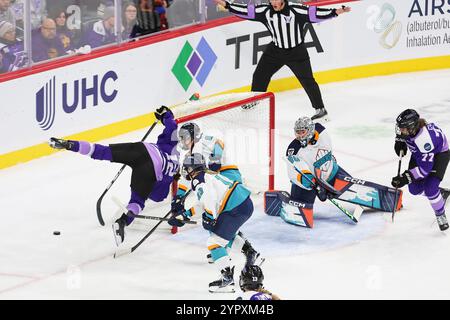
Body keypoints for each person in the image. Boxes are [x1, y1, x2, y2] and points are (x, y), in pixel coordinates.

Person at [48, 106, 180, 245]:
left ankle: (70, 144)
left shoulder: (172, 147)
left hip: (142, 149)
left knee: (102, 151)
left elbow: (172, 126)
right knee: (137, 203)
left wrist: (165, 115)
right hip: (149, 170)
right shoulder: (169, 177)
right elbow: (157, 197)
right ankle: (122, 222)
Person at [213, 0, 351, 121]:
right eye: (271, 0)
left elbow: (315, 13)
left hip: (297, 52)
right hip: (275, 50)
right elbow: (246, 11)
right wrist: (226, 4)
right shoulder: (265, 11)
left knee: (308, 81)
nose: (273, 3)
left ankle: (320, 110)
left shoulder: (296, 10)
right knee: (260, 74)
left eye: (276, 0)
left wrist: (336, 12)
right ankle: (255, 99)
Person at [270, 116, 403, 227]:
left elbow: (325, 160)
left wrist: (323, 185)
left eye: (302, 132)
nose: (299, 135)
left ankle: (391, 199)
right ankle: (283, 199)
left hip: (330, 174)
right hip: (308, 183)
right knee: (301, 209)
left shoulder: (322, 134)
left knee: (356, 190)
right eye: (297, 132)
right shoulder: (293, 149)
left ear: (310, 131)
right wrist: (308, 181)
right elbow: (293, 172)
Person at [170, 153, 262, 293]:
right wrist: (184, 215)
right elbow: (204, 202)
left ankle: (227, 279)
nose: (186, 171)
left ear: (193, 169)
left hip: (235, 208)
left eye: (187, 168)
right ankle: (250, 252)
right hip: (242, 204)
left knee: (214, 242)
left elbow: (209, 198)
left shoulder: (198, 181)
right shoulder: (207, 175)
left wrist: (210, 217)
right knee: (223, 232)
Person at [173, 122, 262, 265]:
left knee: (218, 218)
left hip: (228, 176)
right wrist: (178, 197)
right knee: (217, 219)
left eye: (185, 137)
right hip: (217, 181)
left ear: (193, 135)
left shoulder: (202, 141)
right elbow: (186, 178)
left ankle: (227, 248)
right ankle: (226, 248)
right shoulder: (191, 154)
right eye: (181, 138)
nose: (183, 140)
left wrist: (215, 160)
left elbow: (219, 143)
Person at [391, 109, 450, 231]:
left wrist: (405, 177)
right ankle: (442, 194)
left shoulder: (424, 140)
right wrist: (400, 140)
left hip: (439, 154)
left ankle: (440, 214)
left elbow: (424, 170)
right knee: (414, 189)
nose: (400, 130)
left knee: (430, 188)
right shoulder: (412, 131)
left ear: (411, 127)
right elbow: (405, 137)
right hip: (421, 153)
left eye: (403, 128)